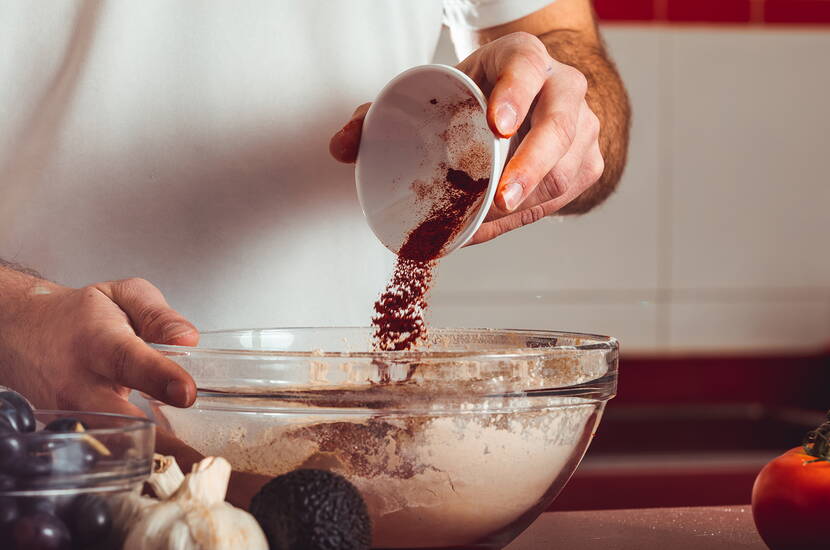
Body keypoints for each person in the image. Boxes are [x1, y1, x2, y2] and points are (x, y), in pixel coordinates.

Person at [0, 0, 629, 473]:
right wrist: (16, 320)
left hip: (337, 463)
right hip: (32, 454)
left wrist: (550, 108)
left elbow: (562, 42)